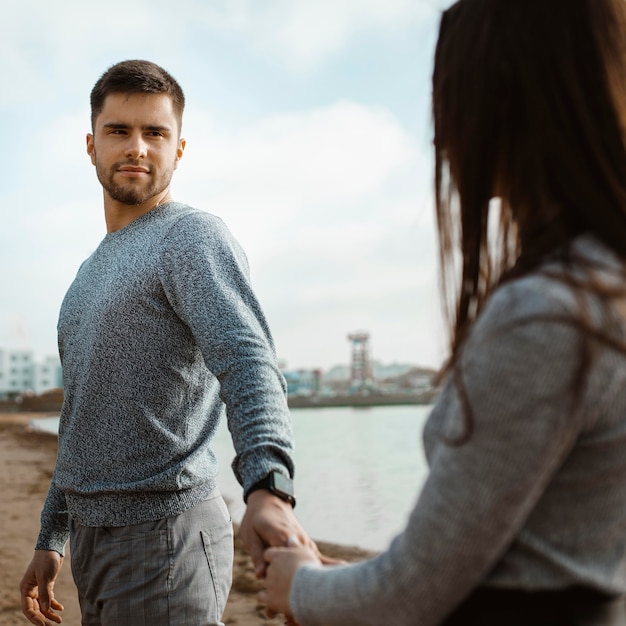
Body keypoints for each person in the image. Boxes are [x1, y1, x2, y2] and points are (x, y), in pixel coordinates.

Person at [259, 0, 626, 624]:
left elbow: (411, 596)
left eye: (451, 93)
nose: (438, 131)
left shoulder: (547, 315)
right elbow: (491, 559)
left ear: (509, 99)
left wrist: (301, 587)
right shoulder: (602, 288)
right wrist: (346, 580)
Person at [19, 59, 315, 626]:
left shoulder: (191, 237)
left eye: (154, 132)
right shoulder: (85, 277)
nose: (137, 147)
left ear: (178, 149)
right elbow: (80, 415)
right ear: (91, 145)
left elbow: (249, 362)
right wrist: (51, 535)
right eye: (118, 131)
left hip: (168, 536)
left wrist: (269, 487)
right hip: (92, 546)